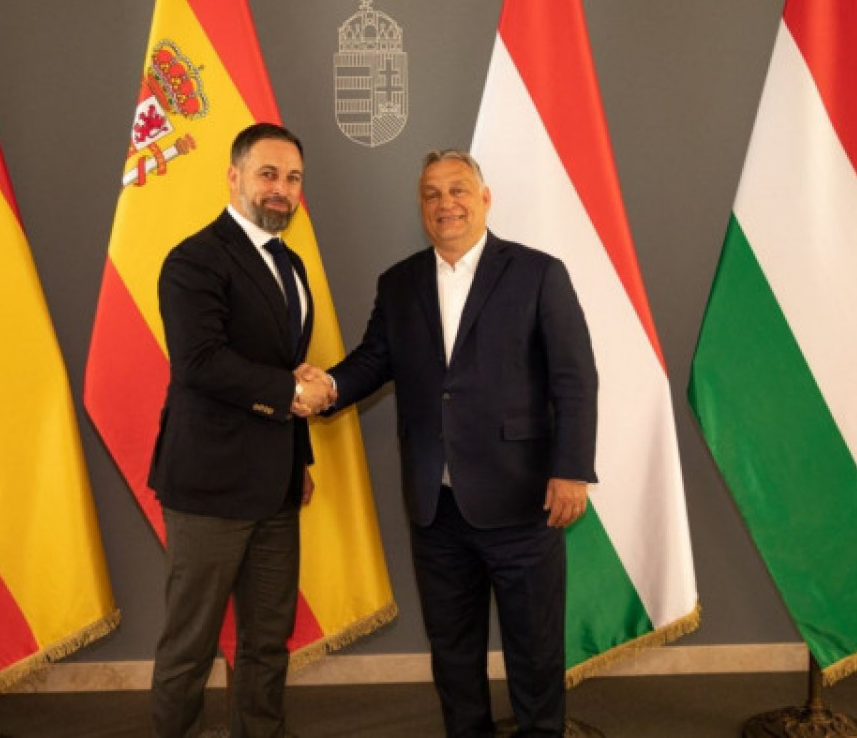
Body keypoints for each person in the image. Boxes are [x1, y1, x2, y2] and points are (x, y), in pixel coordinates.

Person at [306, 150, 598, 737]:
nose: (446, 204)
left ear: (484, 198)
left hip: (522, 502)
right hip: (435, 508)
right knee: (453, 652)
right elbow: (373, 361)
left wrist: (571, 470)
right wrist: (327, 387)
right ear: (422, 206)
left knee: (535, 651)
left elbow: (574, 378)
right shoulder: (399, 282)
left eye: (458, 190)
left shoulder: (538, 273)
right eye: (432, 194)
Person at [148, 122, 336, 738]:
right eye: (268, 174)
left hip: (276, 488)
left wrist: (298, 461)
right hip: (209, 487)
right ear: (234, 177)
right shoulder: (194, 260)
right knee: (190, 647)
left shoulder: (291, 262)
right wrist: (291, 391)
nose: (282, 189)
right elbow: (200, 364)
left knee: (267, 642)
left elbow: (278, 363)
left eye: (293, 178)